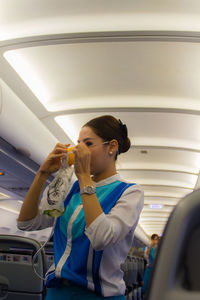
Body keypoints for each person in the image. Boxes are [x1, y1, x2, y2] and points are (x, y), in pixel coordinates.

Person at [17, 115, 144, 300]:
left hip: (99, 296)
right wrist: (42, 173)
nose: (79, 150)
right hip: (56, 293)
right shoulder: (70, 188)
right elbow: (26, 223)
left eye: (88, 143)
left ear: (112, 147)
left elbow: (101, 238)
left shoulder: (130, 192)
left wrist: (83, 176)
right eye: (78, 144)